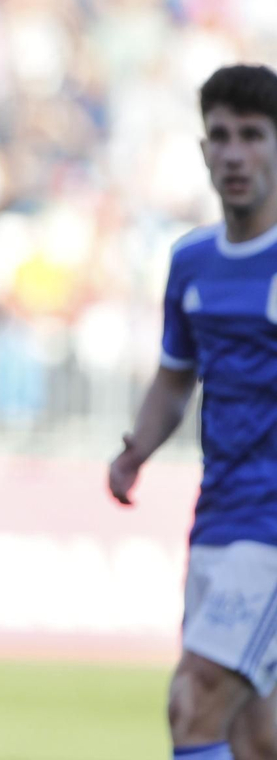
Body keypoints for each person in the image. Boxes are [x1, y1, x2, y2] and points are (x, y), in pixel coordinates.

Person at [110, 64, 277, 760]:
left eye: (252, 135)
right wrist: (136, 449)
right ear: (202, 151)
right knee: (254, 736)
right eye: (220, 136)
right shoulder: (191, 261)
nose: (234, 152)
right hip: (218, 517)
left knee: (194, 699)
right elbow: (175, 378)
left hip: (271, 527)